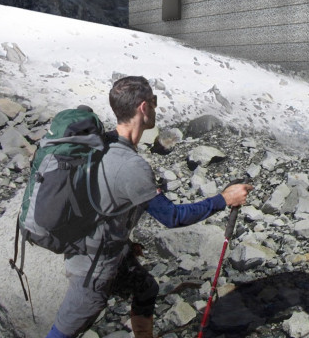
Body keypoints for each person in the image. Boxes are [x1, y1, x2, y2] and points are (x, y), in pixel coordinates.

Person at [45, 76, 253, 338]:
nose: (155, 108)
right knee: (64, 331)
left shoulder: (103, 144)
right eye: (154, 102)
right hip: (93, 268)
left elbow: (102, 200)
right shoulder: (131, 166)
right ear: (143, 107)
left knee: (145, 288)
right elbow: (172, 217)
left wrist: (121, 238)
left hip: (107, 252)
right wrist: (224, 199)